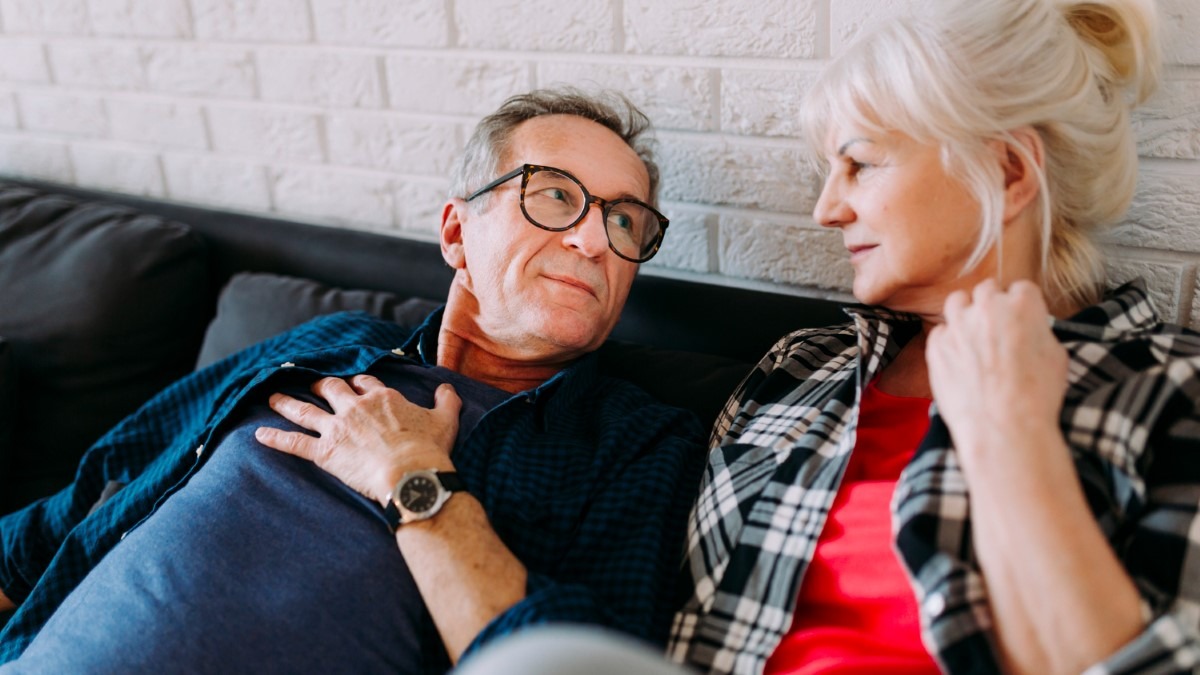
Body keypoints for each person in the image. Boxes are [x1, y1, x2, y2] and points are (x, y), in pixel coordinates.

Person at [457, 0, 1200, 673]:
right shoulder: (800, 370)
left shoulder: (1169, 389)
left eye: (861, 164)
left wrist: (1009, 431)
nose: (826, 209)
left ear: (1006, 171)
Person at [0, 88, 707, 673]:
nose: (594, 240)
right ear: (457, 234)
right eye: (555, 196)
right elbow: (75, 508)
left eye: (624, 219)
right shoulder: (330, 342)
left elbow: (575, 660)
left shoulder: (636, 441)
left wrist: (414, 475)